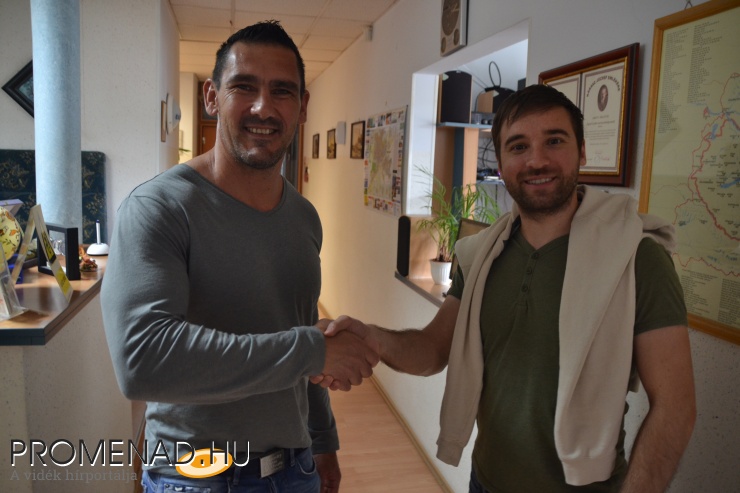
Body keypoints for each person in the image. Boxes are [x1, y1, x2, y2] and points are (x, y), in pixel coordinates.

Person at [316, 84, 696, 492]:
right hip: (485, 481)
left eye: (554, 141)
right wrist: (372, 338)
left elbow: (675, 406)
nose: (537, 160)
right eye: (518, 146)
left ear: (583, 151)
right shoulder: (480, 255)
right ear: (500, 161)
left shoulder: (636, 258)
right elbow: (433, 349)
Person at [101, 21, 377, 493]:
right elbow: (142, 361)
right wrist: (312, 349)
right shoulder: (159, 209)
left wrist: (323, 439)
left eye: (282, 91)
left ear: (303, 107)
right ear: (212, 97)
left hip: (294, 469)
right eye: (244, 86)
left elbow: (298, 327)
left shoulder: (304, 218)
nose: (263, 107)